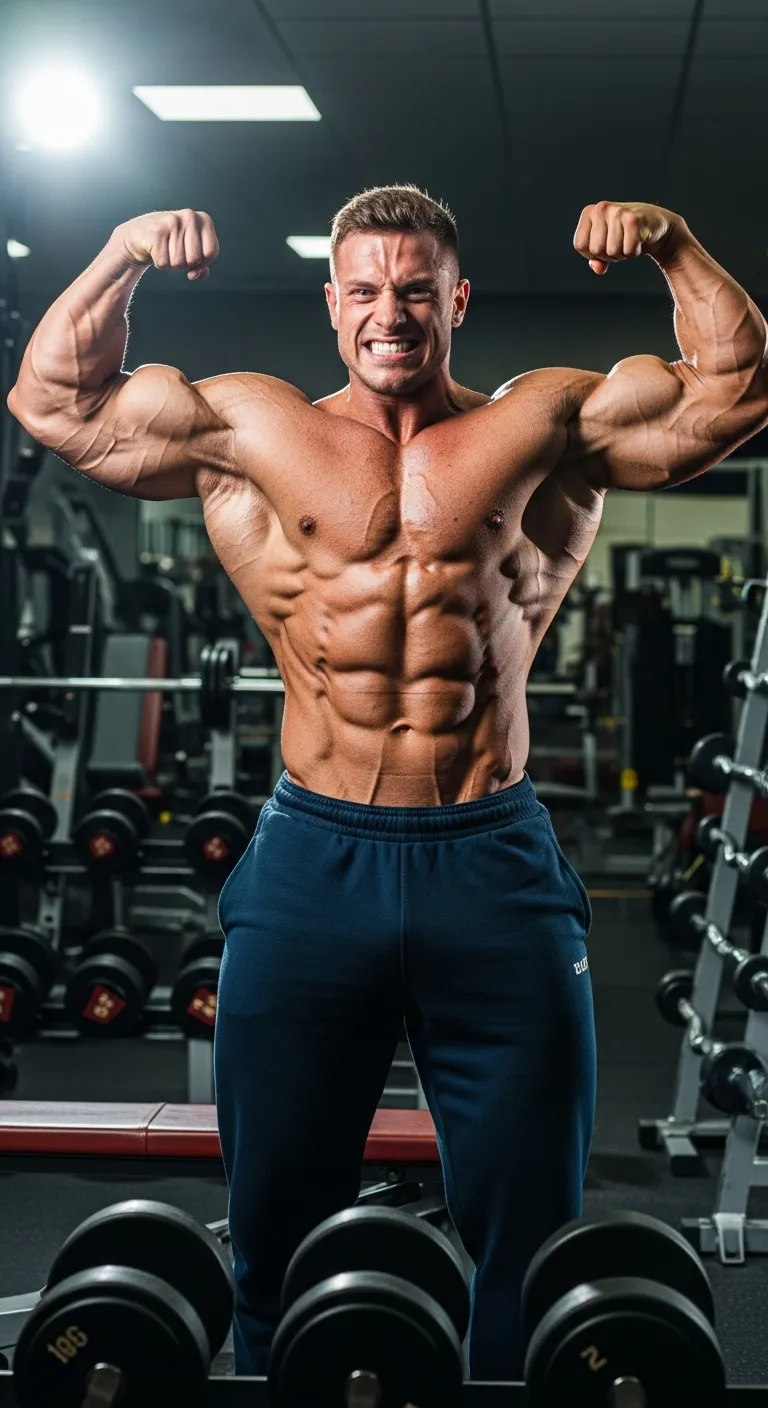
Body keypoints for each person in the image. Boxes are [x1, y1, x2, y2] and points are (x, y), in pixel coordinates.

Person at [8, 186, 768, 1380]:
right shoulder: (250, 428)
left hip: (492, 859)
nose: (390, 312)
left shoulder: (543, 424)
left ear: (457, 300)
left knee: (528, 1225)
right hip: (315, 862)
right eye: (365, 288)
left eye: (415, 288)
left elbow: (735, 391)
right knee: (272, 1222)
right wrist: (120, 255)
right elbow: (54, 401)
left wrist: (673, 243)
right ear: (332, 304)